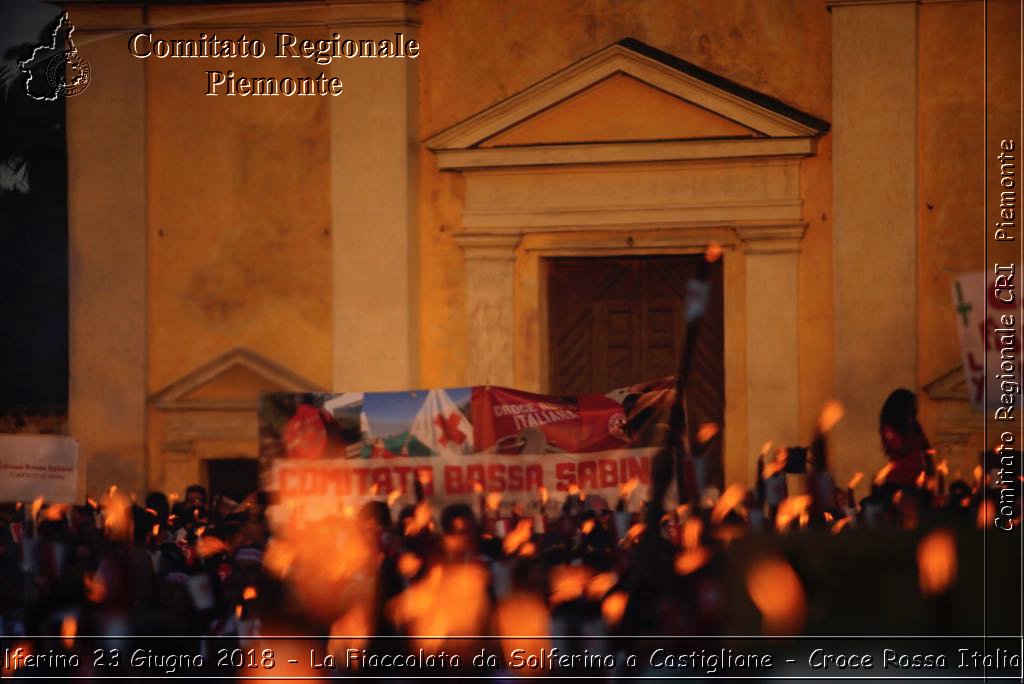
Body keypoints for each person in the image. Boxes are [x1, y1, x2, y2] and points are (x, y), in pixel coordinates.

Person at [878, 389, 934, 488]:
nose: (915, 410)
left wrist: (930, 473)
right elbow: (903, 449)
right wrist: (909, 425)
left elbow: (927, 449)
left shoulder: (915, 426)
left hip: (918, 480)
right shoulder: (888, 428)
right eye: (911, 407)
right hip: (899, 481)